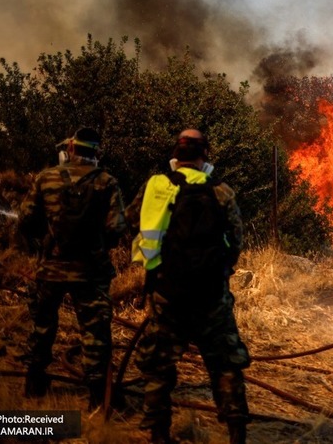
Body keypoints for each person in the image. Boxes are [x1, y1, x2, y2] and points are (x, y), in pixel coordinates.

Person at [126, 129, 250, 444]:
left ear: (175, 154)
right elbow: (236, 241)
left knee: (159, 365)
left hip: (168, 293)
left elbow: (129, 220)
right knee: (225, 363)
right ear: (204, 155)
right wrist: (219, 271)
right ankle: (237, 432)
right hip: (212, 297)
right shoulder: (222, 192)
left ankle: (158, 433)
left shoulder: (156, 185)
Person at [17, 127, 127, 409]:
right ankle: (97, 398)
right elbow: (116, 229)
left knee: (42, 326)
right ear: (97, 153)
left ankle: (33, 382)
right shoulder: (106, 182)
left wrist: (46, 239)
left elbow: (26, 219)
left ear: (71, 149)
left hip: (50, 269)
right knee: (95, 334)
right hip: (90, 272)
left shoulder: (47, 177)